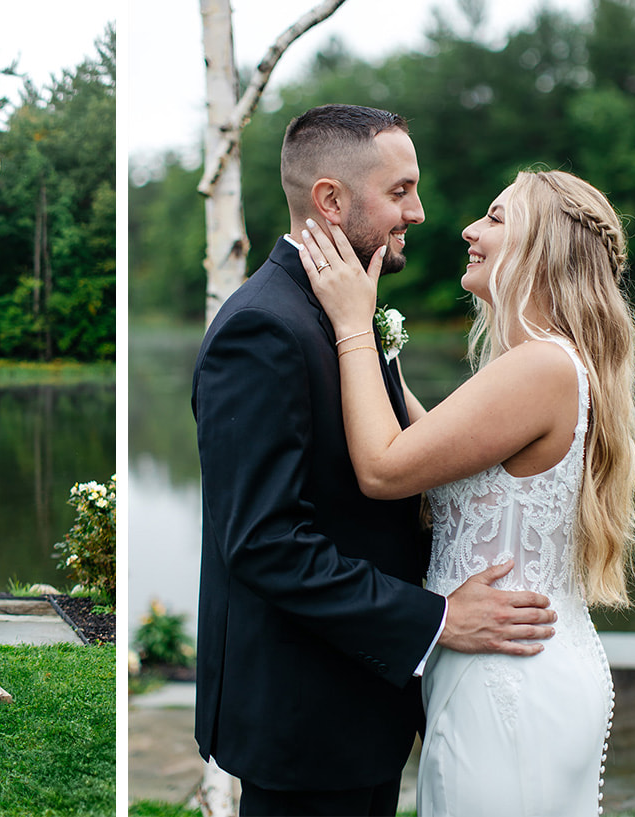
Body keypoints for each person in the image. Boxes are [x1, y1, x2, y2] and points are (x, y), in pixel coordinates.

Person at [192, 103, 557, 817]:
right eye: (400, 191)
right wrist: (437, 619)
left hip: (362, 705)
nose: (418, 212)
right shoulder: (264, 328)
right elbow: (263, 543)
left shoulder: (343, 312)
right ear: (331, 199)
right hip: (307, 722)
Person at [297, 167, 635, 815]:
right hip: (508, 662)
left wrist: (352, 323)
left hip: (507, 677)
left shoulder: (541, 364)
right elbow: (443, 457)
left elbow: (384, 466)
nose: (469, 229)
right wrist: (377, 350)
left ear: (542, 247)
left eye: (495, 216)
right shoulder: (547, 362)